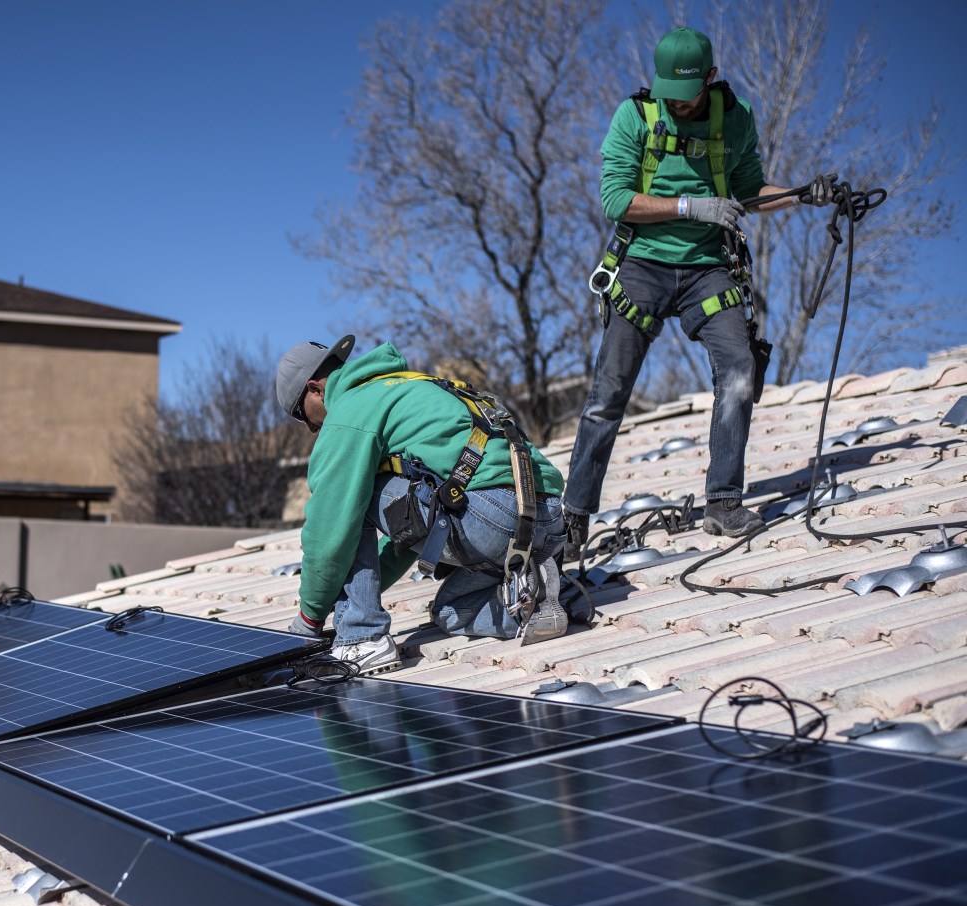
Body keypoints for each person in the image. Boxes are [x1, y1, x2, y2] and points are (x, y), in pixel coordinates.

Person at [564, 27, 836, 549]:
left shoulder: (735, 118)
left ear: (710, 78)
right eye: (667, 91)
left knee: (738, 370)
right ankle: (573, 518)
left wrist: (802, 195)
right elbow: (615, 199)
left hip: (708, 268)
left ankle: (724, 502)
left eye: (685, 94)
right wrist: (690, 206)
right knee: (608, 393)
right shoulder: (635, 116)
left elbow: (750, 190)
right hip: (641, 263)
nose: (675, 103)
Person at [275, 335, 568, 675]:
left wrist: (310, 618)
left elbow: (329, 532)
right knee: (451, 610)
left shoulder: (349, 412)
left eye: (303, 416)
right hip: (548, 523)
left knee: (350, 497)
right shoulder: (410, 386)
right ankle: (539, 598)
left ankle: (362, 637)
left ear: (315, 389)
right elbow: (412, 527)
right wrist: (341, 590)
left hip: (492, 519)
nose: (312, 428)